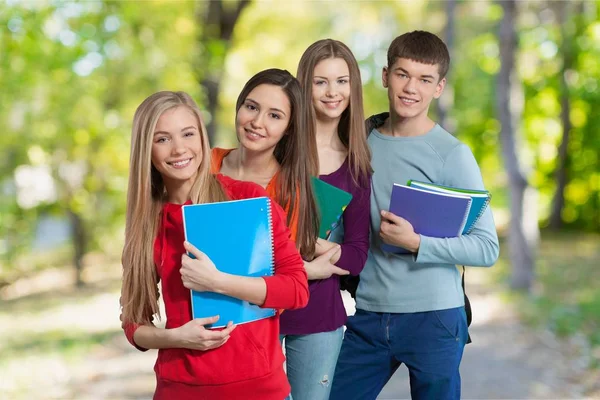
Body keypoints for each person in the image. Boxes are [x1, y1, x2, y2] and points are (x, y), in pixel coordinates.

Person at [330, 31, 500, 400]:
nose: (411, 88)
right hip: (369, 314)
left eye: (425, 79)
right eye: (403, 74)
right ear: (385, 76)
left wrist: (416, 243)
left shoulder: (451, 154)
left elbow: (486, 248)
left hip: (435, 317)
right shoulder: (359, 142)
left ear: (439, 88)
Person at [120, 91, 309, 400]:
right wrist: (176, 338)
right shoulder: (146, 224)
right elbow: (133, 324)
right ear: (147, 151)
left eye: (188, 133)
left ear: (202, 137)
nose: (179, 148)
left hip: (260, 388)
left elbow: (296, 290)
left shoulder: (248, 200)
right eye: (162, 139)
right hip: (181, 390)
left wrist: (217, 282)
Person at [277, 39, 372, 400]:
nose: (333, 92)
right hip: (259, 306)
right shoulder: (278, 149)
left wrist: (317, 245)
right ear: (304, 86)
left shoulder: (356, 166)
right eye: (320, 82)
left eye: (342, 81)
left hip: (319, 314)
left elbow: (357, 255)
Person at [210, 68, 319, 260]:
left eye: (274, 116)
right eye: (251, 107)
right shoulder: (206, 162)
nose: (257, 122)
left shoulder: (289, 191)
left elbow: (283, 269)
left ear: (289, 128)